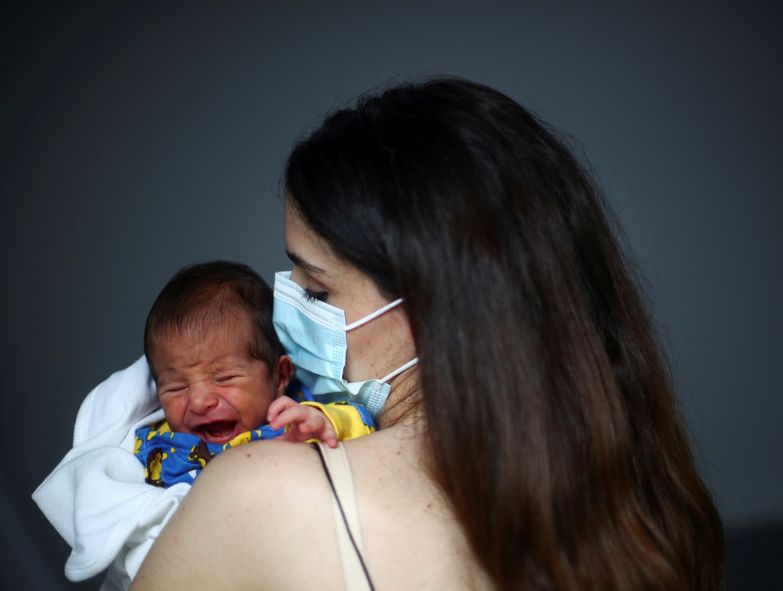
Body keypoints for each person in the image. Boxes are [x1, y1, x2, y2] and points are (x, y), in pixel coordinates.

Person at [131, 77, 724, 590]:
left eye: (316, 291)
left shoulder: (261, 492)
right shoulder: (651, 509)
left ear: (432, 305)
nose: (291, 319)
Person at [135, 260, 376, 486]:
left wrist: (326, 423)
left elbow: (362, 421)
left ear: (280, 376)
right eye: (177, 387)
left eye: (224, 378)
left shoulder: (297, 419)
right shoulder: (160, 445)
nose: (199, 402)